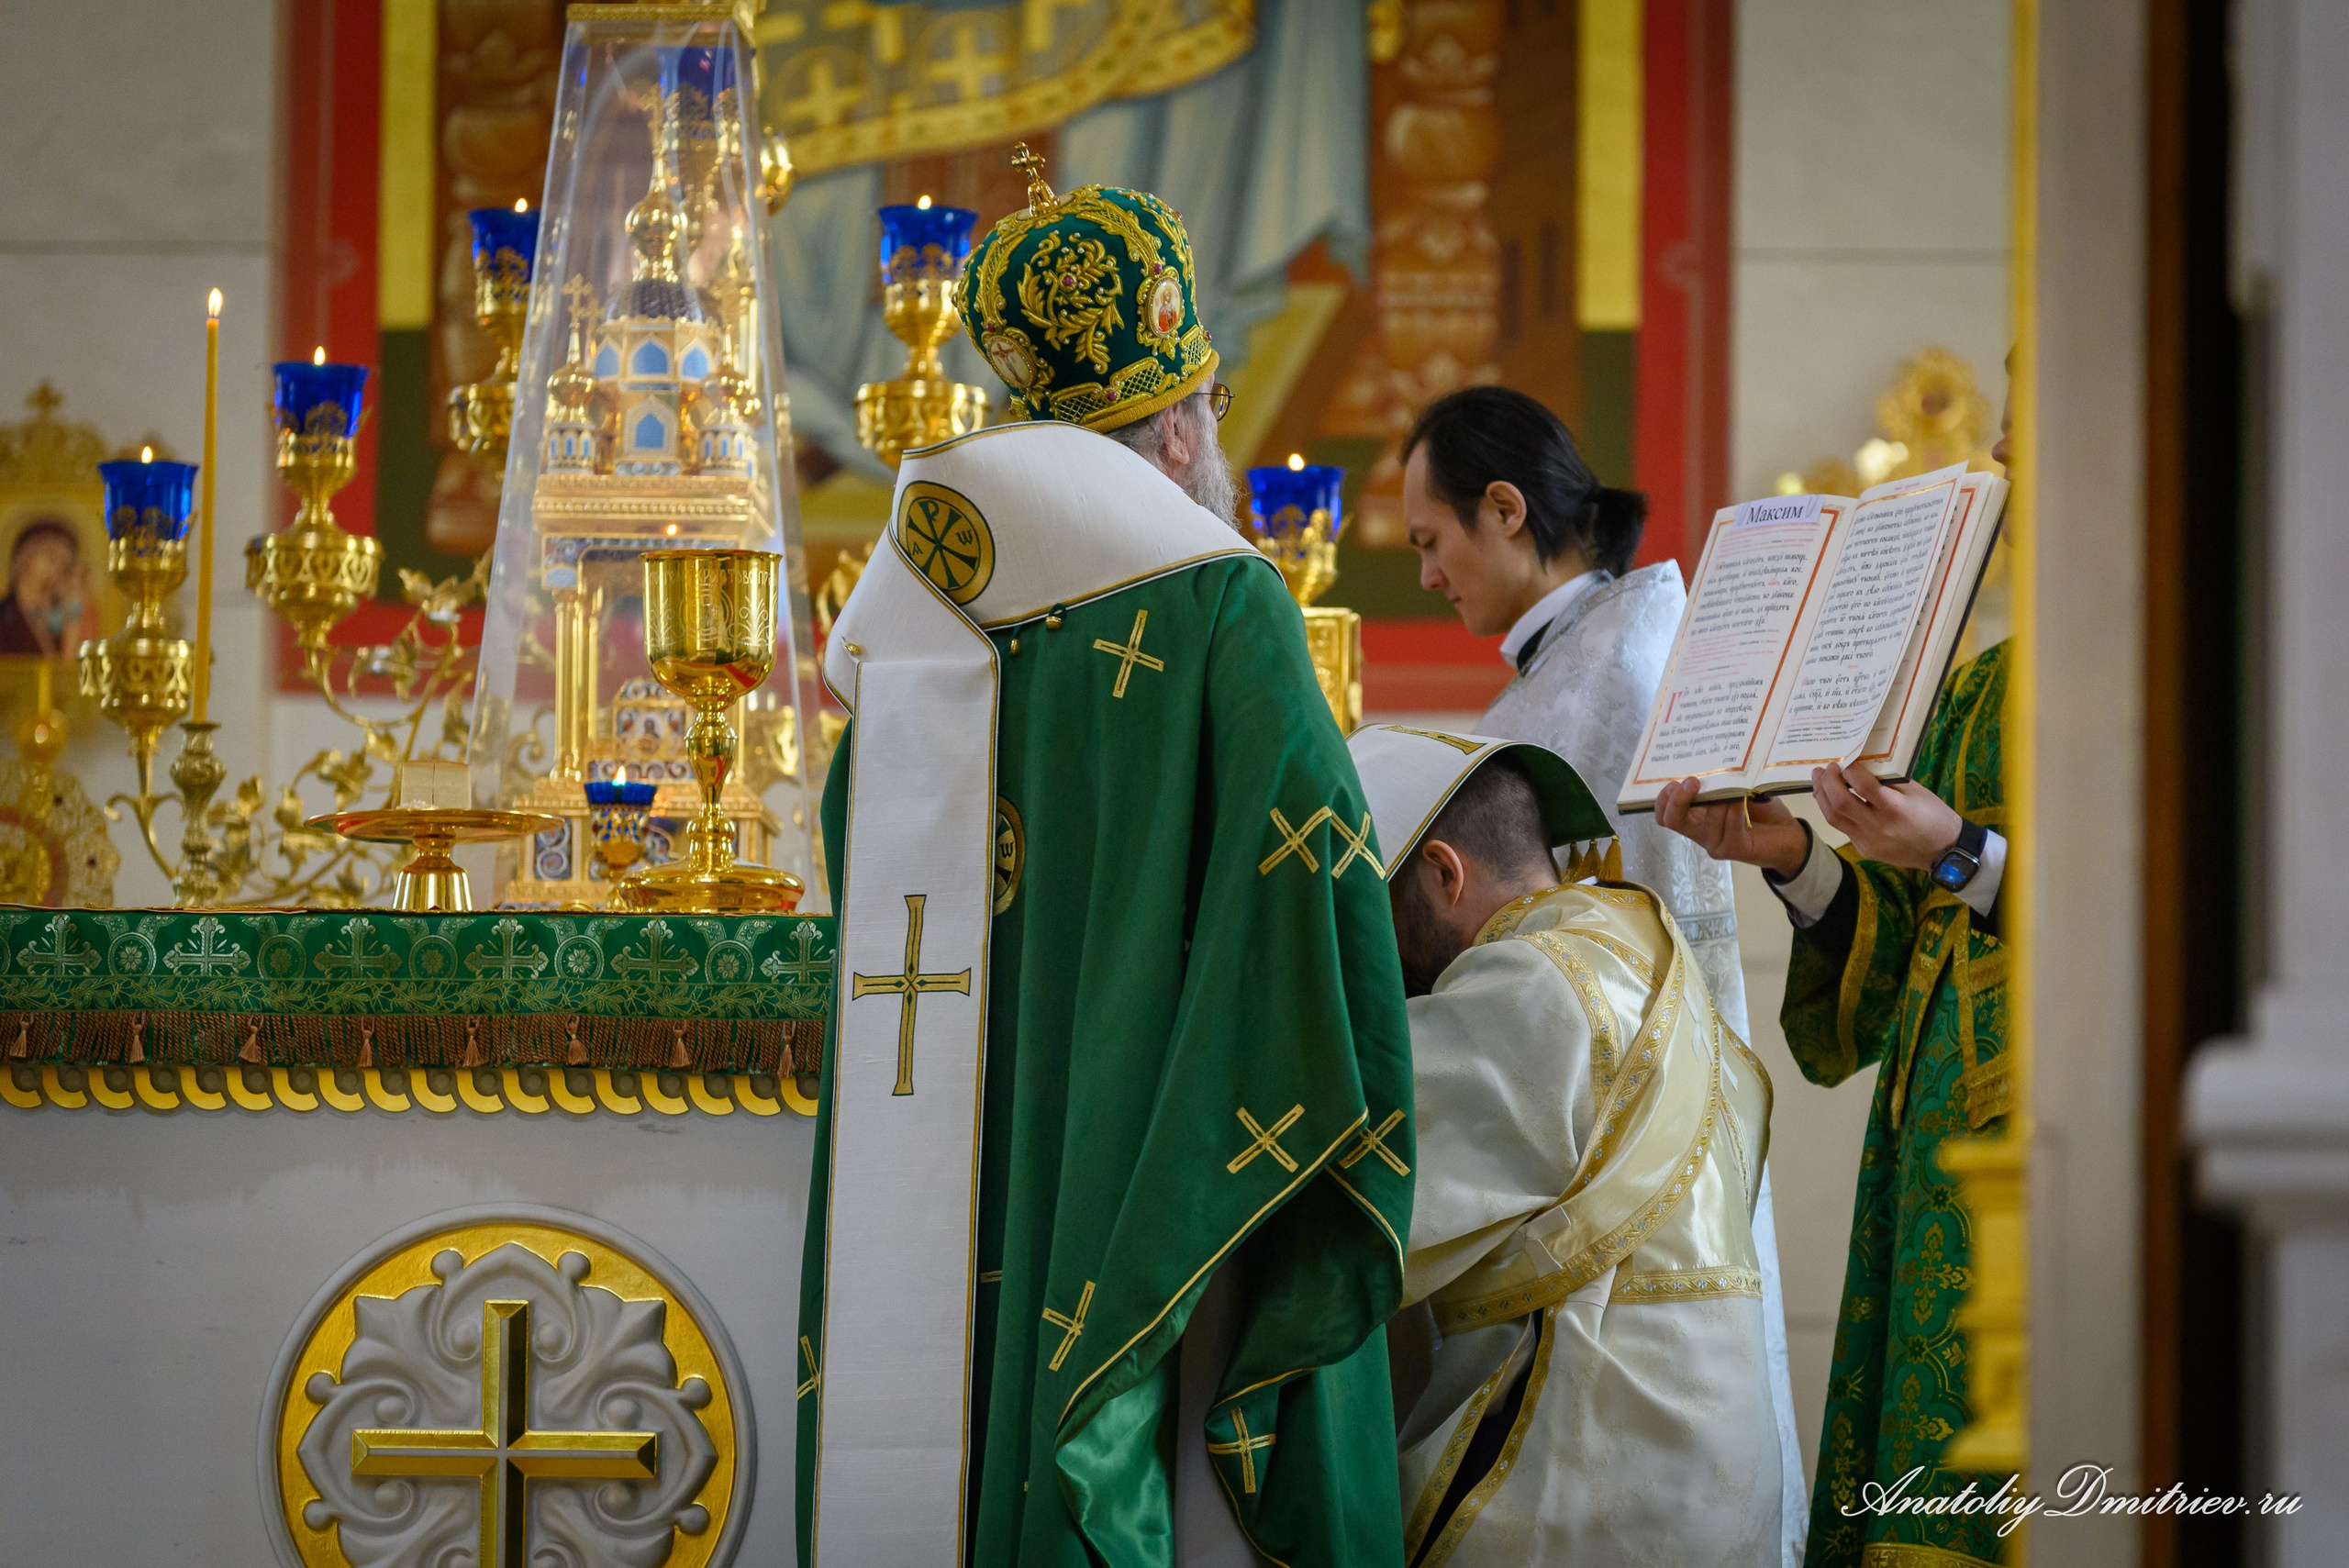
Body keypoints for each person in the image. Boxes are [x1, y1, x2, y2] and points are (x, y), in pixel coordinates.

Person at [798, 150, 1415, 1568]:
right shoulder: (1226, 603)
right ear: (1185, 429)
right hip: (1163, 1158)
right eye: (1210, 406)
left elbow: (861, 850)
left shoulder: (914, 613)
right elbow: (1321, 887)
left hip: (959, 1132)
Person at [1399, 385, 1808, 1560]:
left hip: (1627, 1177)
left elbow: (1623, 954)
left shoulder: (1611, 670)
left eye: (1431, 542)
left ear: (1505, 509)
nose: (1427, 576)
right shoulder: (1575, 661)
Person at [1653, 404, 2017, 1566]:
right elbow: (1909, 935)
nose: (2002, 456)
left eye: (2029, 426)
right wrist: (1797, 858)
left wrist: (1967, 854)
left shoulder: (2172, 674)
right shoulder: (1977, 687)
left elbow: (2171, 916)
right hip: (1925, 1153)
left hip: (2040, 1160)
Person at [1349, 723, 1784, 1567]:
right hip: (1712, 1482)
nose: (1368, 959)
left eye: (1374, 915)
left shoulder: (1535, 985)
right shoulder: (1655, 965)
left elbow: (1352, 1177)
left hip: (1586, 1482)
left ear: (1444, 872)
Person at [0, 518, 93, 657]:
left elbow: (66, 663)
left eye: (64, 563)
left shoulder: (58, 618)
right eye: (51, 556)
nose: (57, 568)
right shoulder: (4, 615)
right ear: (25, 558)